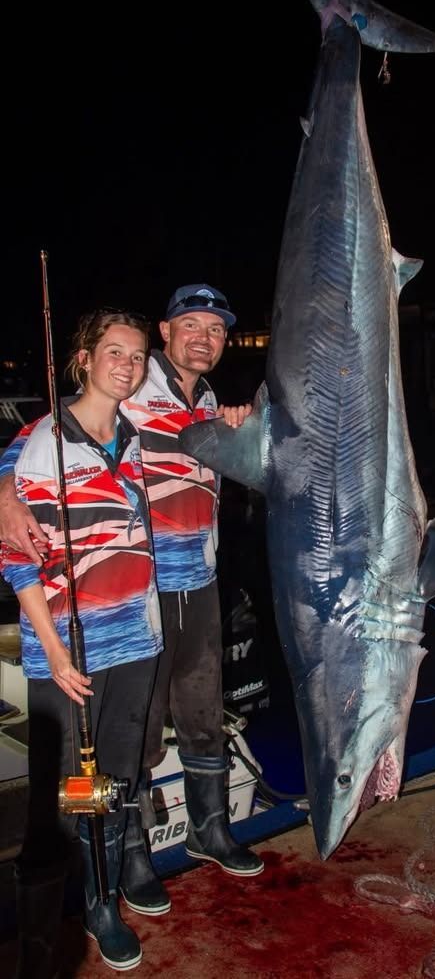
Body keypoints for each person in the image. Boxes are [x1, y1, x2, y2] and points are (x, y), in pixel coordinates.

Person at [0, 283, 264, 924]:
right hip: (126, 599)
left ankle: (207, 830)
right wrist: (5, 497)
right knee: (127, 742)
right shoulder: (128, 391)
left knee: (201, 713)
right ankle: (130, 862)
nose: (205, 338)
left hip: (194, 580)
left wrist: (243, 430)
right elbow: (32, 448)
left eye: (217, 330)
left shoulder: (206, 399)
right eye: (190, 325)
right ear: (165, 332)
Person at [1, 309, 162, 976]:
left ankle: (101, 900)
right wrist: (55, 651)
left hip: (138, 642)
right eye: (114, 351)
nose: (127, 363)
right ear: (84, 359)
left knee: (116, 779)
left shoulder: (134, 433)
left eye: (138, 353)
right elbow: (15, 559)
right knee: (68, 795)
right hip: (73, 656)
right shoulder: (40, 444)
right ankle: (40, 944)